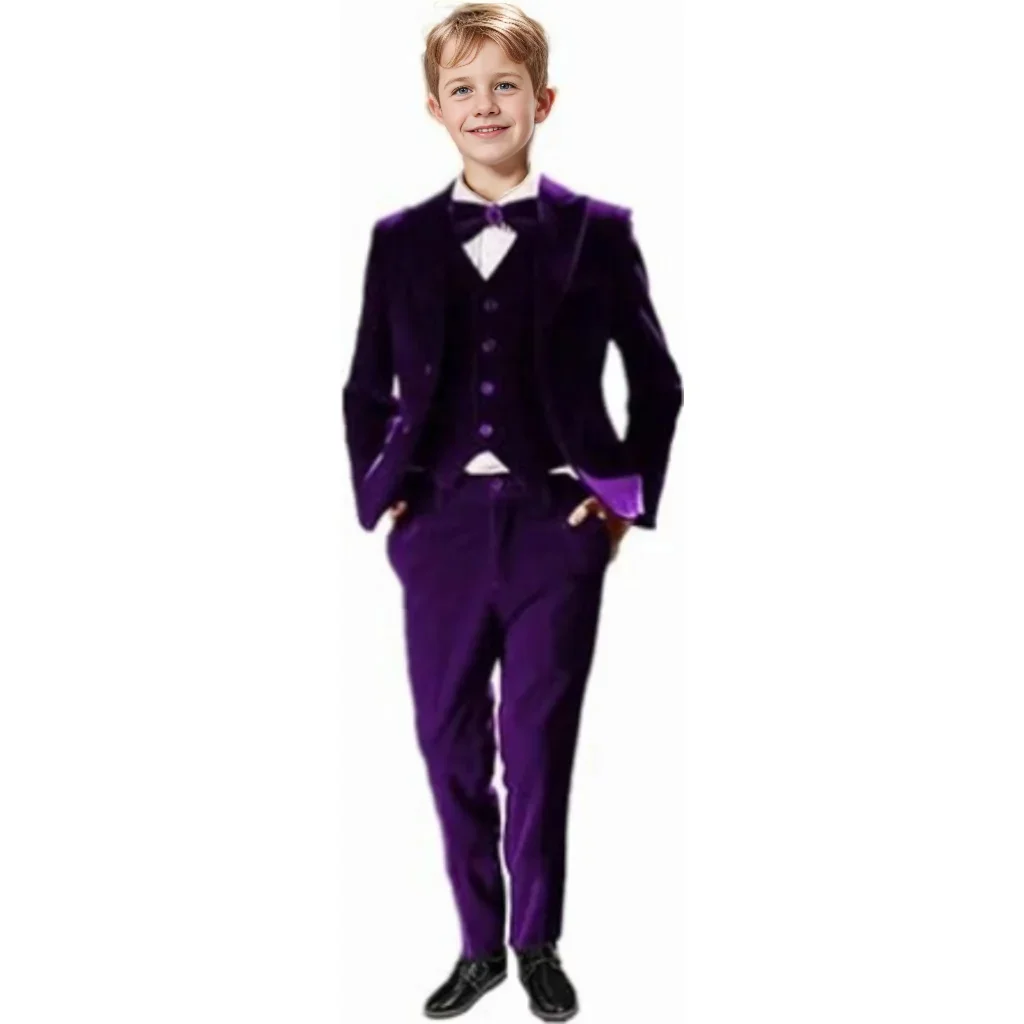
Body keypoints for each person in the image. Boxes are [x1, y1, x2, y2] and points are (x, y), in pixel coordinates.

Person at [342, 4, 682, 1019]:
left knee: (538, 741)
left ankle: (537, 943)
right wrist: (386, 498)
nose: (484, 105)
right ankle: (476, 945)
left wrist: (619, 503)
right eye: (463, 89)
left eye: (504, 86)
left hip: (554, 528)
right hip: (439, 529)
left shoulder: (597, 232)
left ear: (543, 100)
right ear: (433, 108)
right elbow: (364, 388)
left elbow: (657, 381)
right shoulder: (399, 240)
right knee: (448, 741)